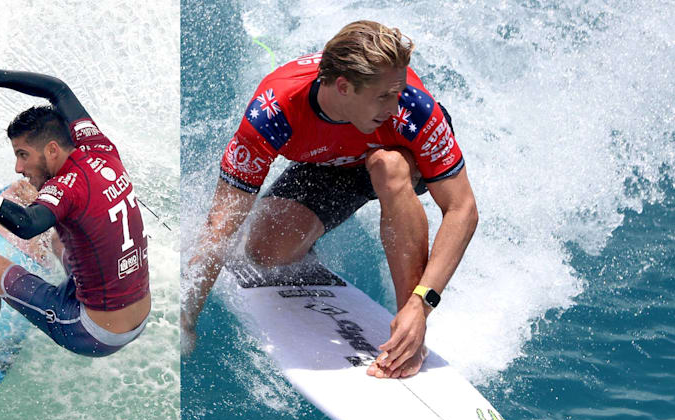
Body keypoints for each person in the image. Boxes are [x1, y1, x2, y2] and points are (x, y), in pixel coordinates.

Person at [182, 21, 478, 378]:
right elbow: (220, 224)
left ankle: (410, 336)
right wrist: (186, 318)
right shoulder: (274, 113)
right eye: (384, 95)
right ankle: (304, 239)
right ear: (343, 87)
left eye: (397, 91)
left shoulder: (410, 109)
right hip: (334, 161)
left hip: (396, 155)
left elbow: (462, 209)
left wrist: (421, 304)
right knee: (264, 253)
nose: (394, 103)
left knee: (388, 167)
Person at [0, 51, 150, 362]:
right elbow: (58, 90)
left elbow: (26, 224)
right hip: (137, 315)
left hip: (94, 331)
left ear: (52, 149)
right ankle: (46, 251)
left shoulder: (66, 189)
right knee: (53, 229)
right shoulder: (100, 147)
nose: (17, 166)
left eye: (23, 155)